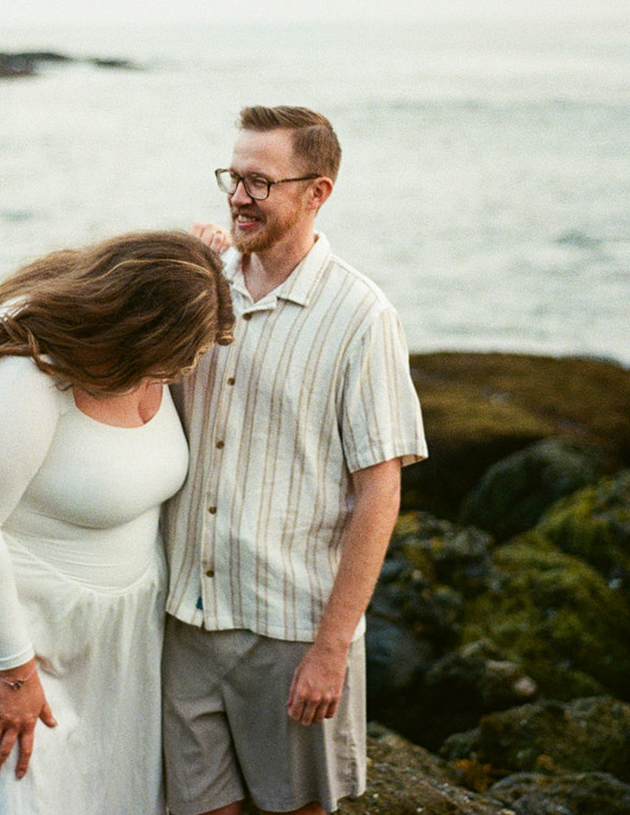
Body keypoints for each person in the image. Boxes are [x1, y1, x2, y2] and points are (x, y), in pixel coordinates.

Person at [0, 231, 235, 814]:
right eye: (181, 353)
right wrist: (14, 674)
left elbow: (169, 283)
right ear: (138, 329)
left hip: (109, 631)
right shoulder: (23, 370)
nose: (187, 368)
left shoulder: (148, 346)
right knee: (11, 788)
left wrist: (207, 265)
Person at [162, 106, 428, 815]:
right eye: (232, 177)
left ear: (317, 192)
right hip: (183, 620)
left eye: (259, 181)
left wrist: (331, 649)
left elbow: (380, 492)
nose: (238, 196)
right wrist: (179, 262)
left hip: (290, 632)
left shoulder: (362, 317)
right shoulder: (199, 286)